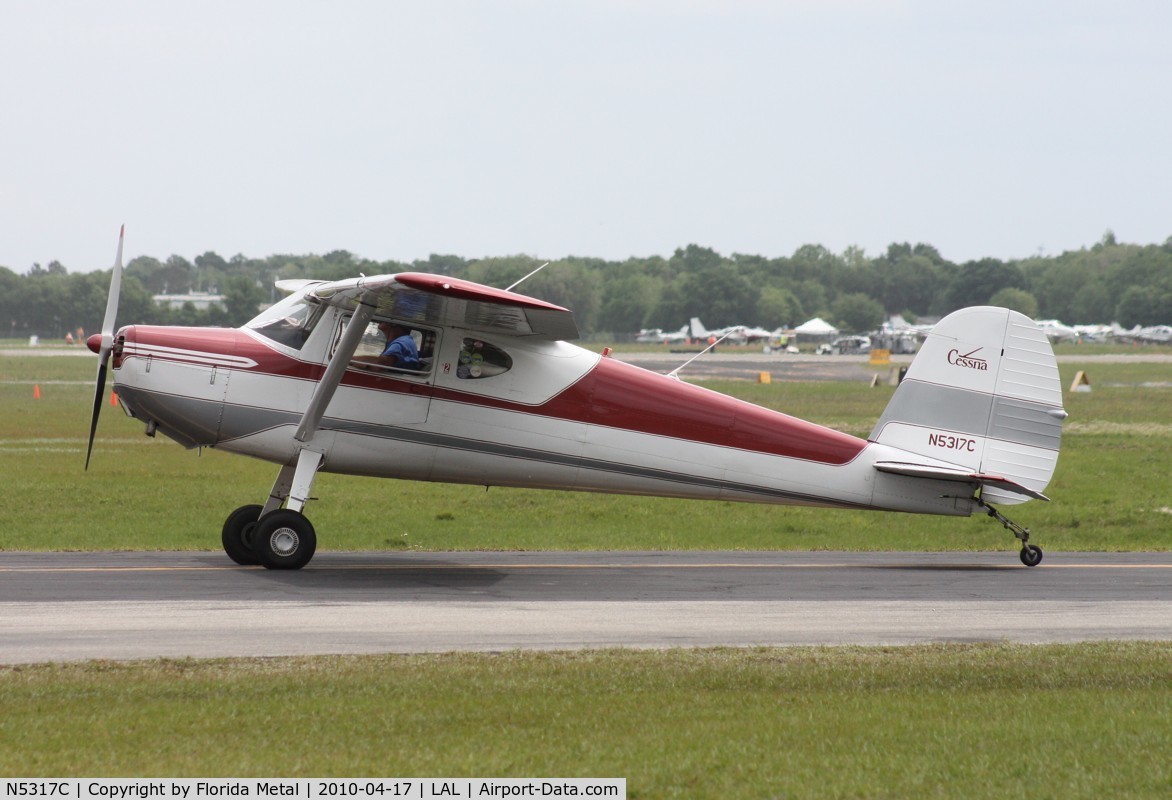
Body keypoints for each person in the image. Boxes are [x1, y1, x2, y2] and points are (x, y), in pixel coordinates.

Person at [354, 321, 422, 371]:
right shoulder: (402, 340)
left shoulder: (402, 342)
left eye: (385, 319)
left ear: (394, 323)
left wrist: (349, 360)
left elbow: (379, 364)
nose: (380, 320)